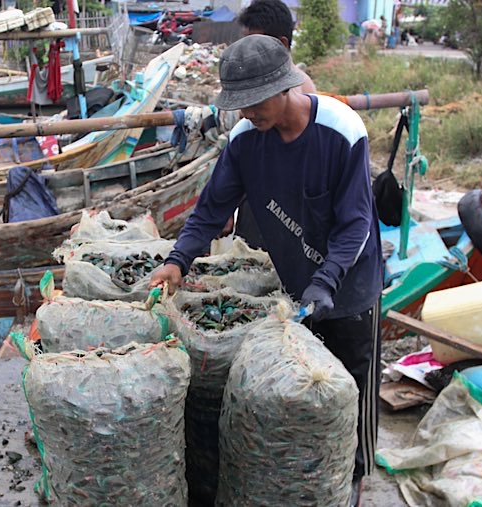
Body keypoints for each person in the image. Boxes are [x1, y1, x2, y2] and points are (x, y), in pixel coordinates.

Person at [149, 35, 382, 507]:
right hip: (298, 285)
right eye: (239, 104)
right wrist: (177, 260)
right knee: (300, 393)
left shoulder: (341, 129)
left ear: (285, 87)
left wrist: (327, 281)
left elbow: (356, 222)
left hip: (350, 286)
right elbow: (211, 209)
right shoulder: (244, 141)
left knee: (352, 392)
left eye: (254, 101)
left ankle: (354, 480)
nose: (247, 112)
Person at [225, 0, 316, 248]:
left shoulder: (301, 92)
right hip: (255, 199)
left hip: (282, 206)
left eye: (255, 46)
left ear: (282, 44)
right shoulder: (252, 86)